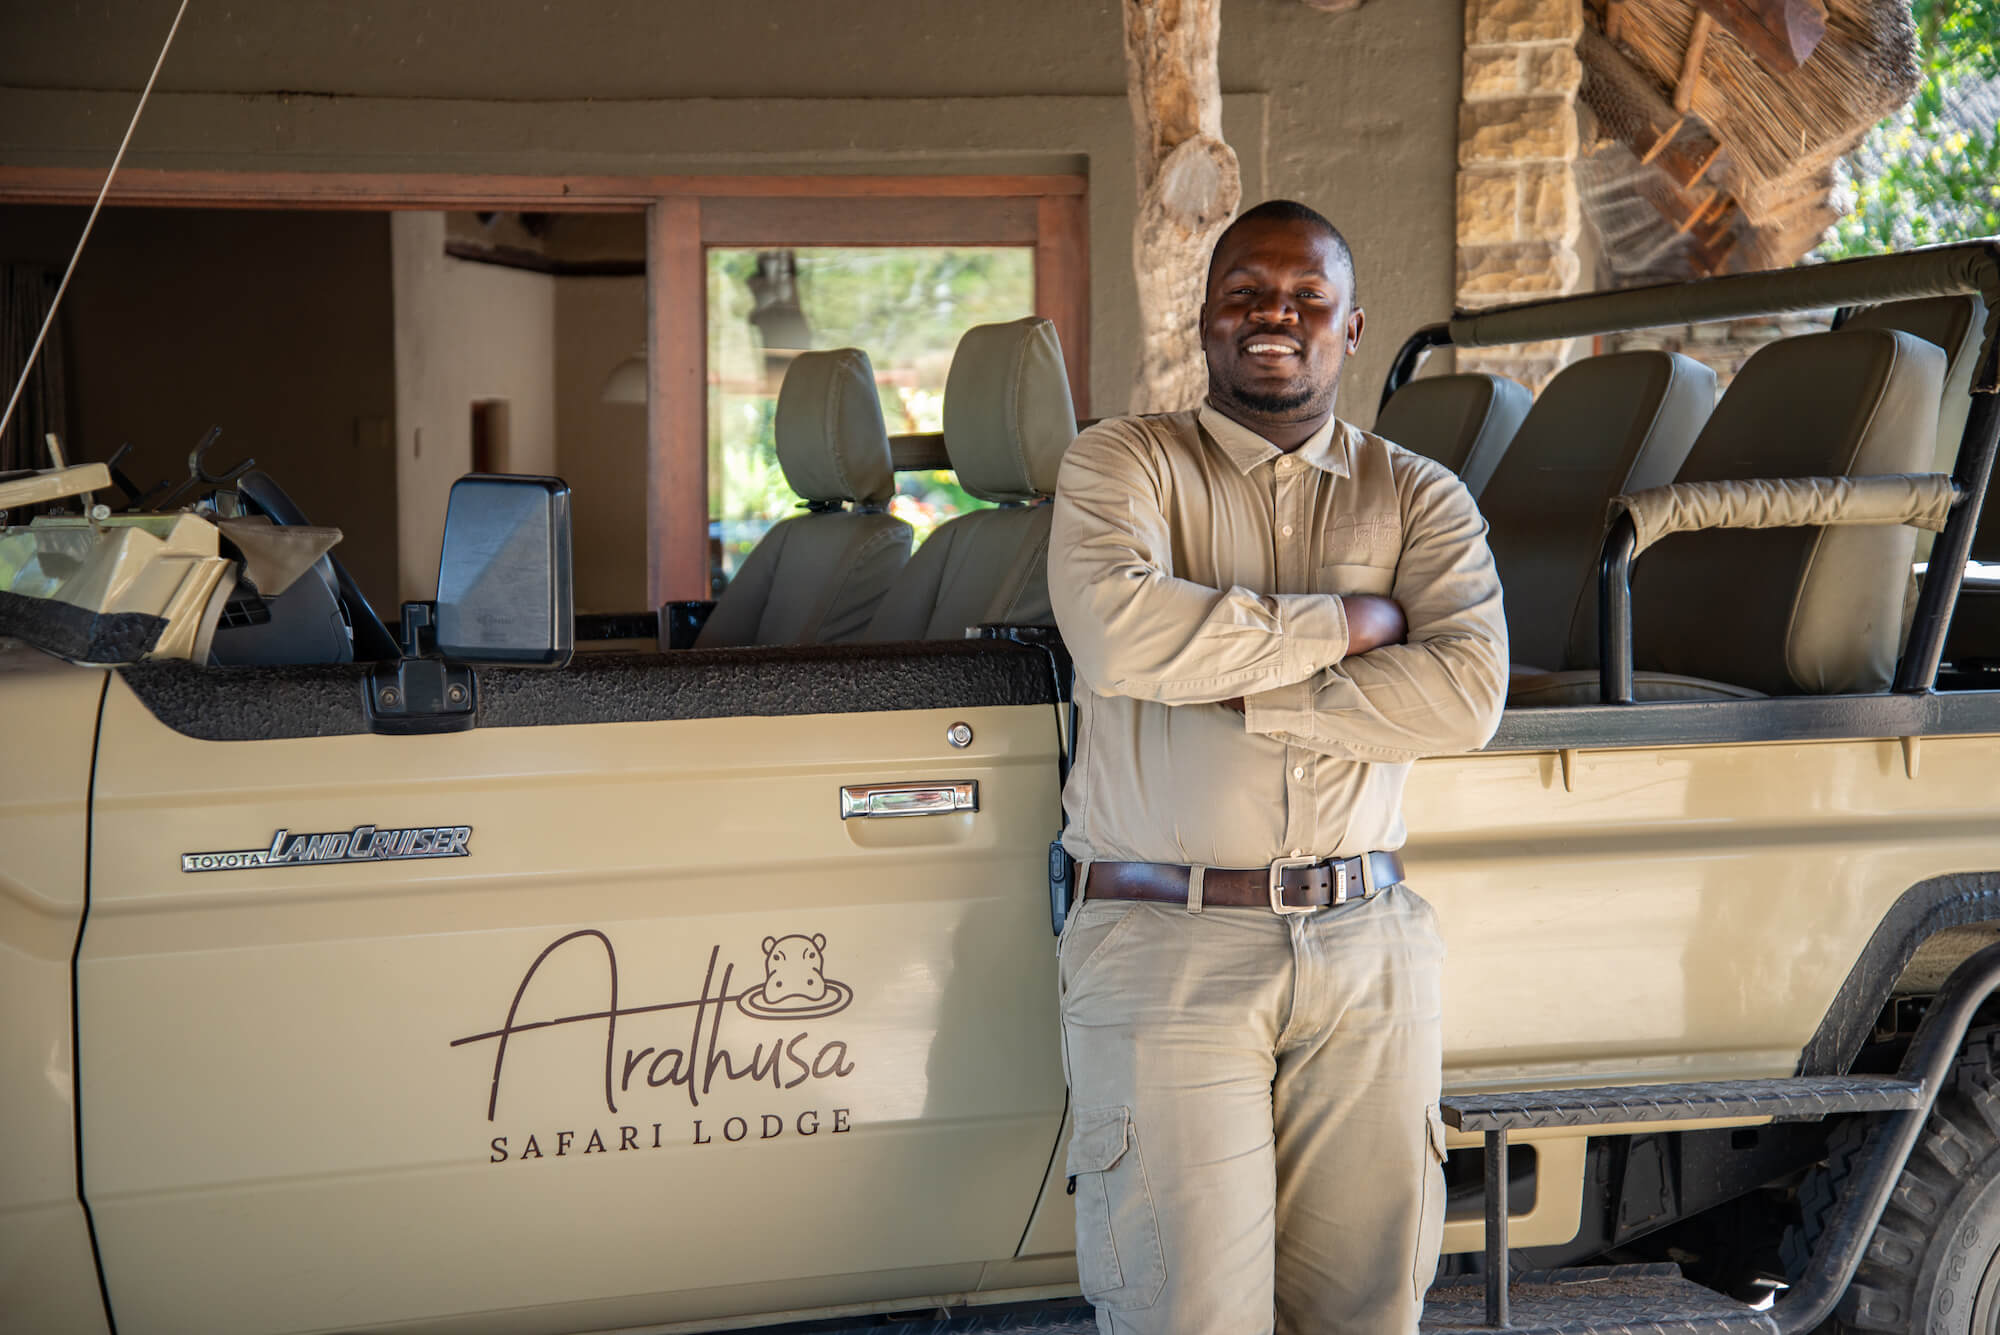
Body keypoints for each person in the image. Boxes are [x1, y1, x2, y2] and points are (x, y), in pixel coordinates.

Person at [1047, 198, 1509, 1335]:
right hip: (1167, 948)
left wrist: (1238, 687)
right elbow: (1117, 636)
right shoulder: (1122, 464)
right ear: (1202, 320)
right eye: (1245, 293)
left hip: (1368, 945)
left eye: (1307, 298)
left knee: (1366, 1312)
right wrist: (1349, 622)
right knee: (1185, 1312)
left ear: (1350, 330)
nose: (1274, 316)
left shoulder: (1419, 496)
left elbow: (1464, 695)